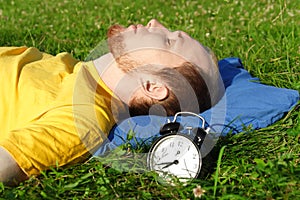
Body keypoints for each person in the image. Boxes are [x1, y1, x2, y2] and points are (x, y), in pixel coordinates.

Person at [0, 19, 224, 185]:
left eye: (167, 41)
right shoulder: (72, 69)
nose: (155, 22)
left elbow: (6, 164)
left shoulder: (82, 117)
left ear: (152, 86)